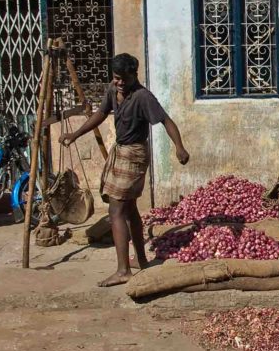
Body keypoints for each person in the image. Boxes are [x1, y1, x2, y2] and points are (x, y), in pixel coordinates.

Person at [60, 53, 189, 287]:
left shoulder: (143, 97)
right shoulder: (112, 90)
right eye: (116, 77)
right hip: (120, 151)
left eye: (123, 78)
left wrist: (179, 147)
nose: (119, 82)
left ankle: (123, 270)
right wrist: (75, 134)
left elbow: (166, 121)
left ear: (134, 75)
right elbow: (100, 114)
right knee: (129, 209)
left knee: (115, 211)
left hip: (135, 155)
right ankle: (141, 260)